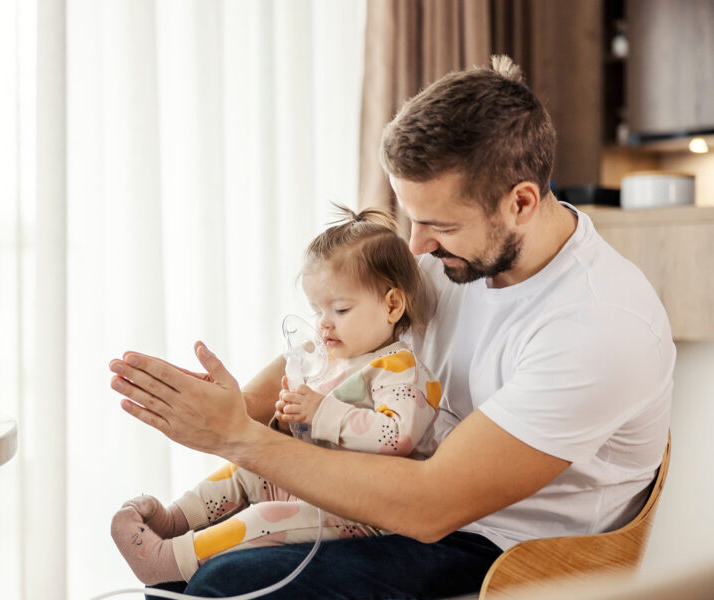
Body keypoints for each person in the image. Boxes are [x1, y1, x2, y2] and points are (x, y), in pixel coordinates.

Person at [109, 55, 674, 599]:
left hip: (503, 548)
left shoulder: (598, 326)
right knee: (196, 554)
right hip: (408, 493)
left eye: (438, 224)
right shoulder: (451, 262)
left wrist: (237, 435)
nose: (417, 246)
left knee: (228, 582)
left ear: (521, 203)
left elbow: (433, 505)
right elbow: (340, 341)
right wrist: (225, 405)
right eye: (411, 216)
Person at [111, 206, 445, 585]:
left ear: (392, 305)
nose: (324, 324)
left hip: (365, 511)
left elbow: (397, 436)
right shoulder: (336, 364)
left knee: (264, 518)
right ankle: (175, 520)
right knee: (245, 468)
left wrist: (321, 413)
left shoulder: (399, 367)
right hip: (317, 486)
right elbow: (311, 438)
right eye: (317, 309)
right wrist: (287, 421)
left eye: (340, 308)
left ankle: (171, 562)